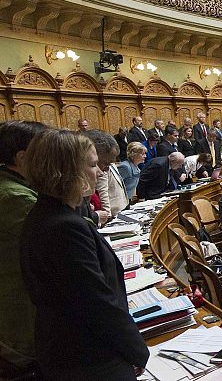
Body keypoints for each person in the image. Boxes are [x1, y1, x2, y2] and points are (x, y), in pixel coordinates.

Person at [19, 129, 149, 379]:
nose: (100, 172)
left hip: (74, 350)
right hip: (88, 358)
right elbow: (95, 302)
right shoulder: (63, 227)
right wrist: (135, 349)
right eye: (92, 164)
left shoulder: (49, 214)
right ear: (66, 171)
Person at [0, 121, 46, 373]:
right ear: (22, 157)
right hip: (20, 332)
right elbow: (66, 235)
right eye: (47, 153)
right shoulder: (14, 197)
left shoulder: (17, 187)